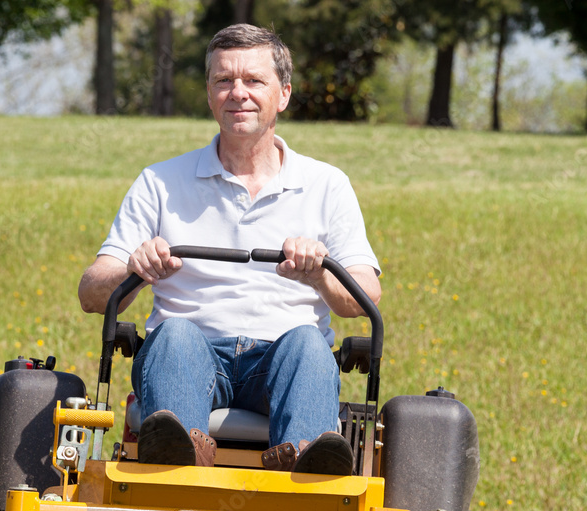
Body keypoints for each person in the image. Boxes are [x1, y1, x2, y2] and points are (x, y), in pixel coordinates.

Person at [78, 24, 381, 474]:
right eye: (224, 80)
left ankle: (305, 466)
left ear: (284, 94)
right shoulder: (160, 181)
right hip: (191, 357)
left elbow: (366, 297)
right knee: (175, 334)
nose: (237, 92)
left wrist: (319, 273)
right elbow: (91, 293)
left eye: (253, 80)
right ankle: (180, 456)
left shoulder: (326, 184)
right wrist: (135, 271)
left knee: (306, 344)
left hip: (285, 359)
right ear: (209, 93)